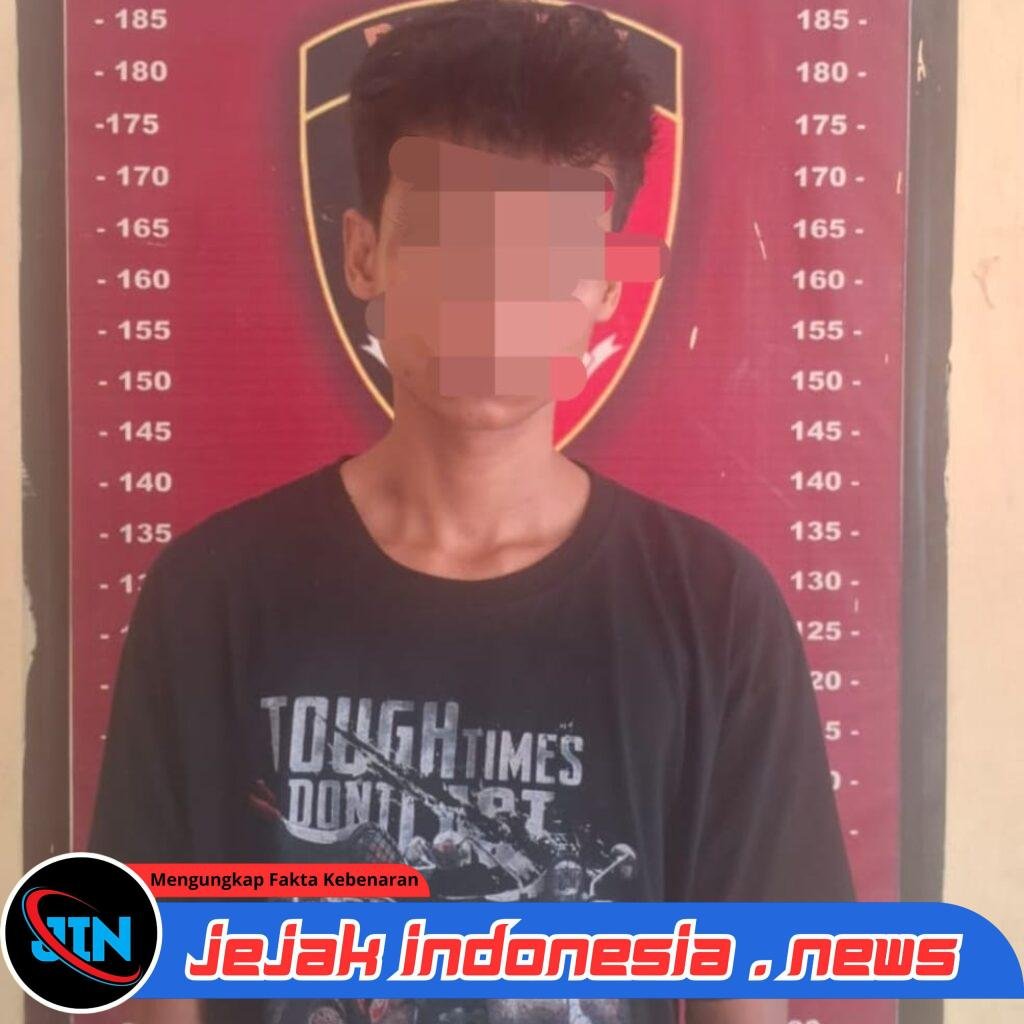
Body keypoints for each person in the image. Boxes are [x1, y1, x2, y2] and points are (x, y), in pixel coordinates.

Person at [90, 2, 854, 1023]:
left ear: (602, 286)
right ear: (365, 255)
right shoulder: (210, 597)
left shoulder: (714, 612)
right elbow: (151, 983)